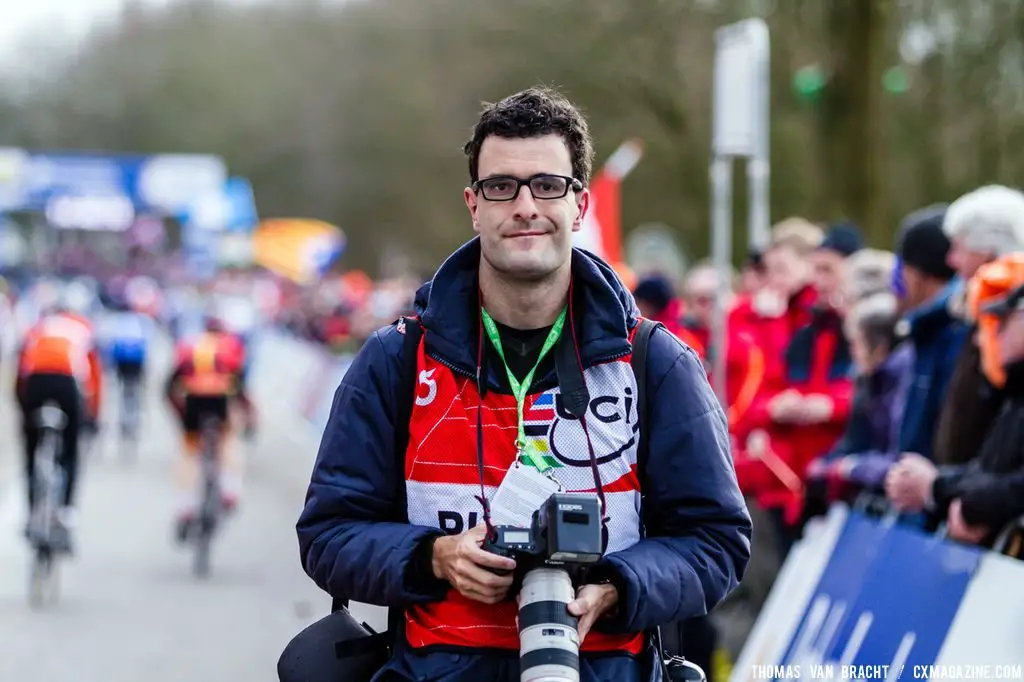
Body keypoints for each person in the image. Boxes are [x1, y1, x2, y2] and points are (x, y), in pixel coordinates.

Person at [296, 87, 751, 682]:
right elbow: (329, 534)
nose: (525, 206)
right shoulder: (397, 360)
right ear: (474, 204)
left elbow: (716, 540)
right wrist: (433, 557)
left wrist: (618, 585)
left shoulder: (655, 362)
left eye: (548, 185)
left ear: (580, 205)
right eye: (501, 186)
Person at [886, 259, 1024, 554]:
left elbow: (1014, 486)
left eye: (1002, 323)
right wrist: (941, 487)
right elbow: (989, 468)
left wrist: (945, 492)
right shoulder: (1015, 391)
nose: (985, 337)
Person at [13, 299, 104, 552]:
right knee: (71, 450)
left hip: (35, 384)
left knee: (31, 450)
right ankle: (65, 512)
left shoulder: (36, 327)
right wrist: (93, 417)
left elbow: (20, 372)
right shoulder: (83, 327)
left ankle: (32, 512)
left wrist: (22, 412)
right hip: (67, 384)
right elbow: (94, 378)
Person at [164, 312, 250, 540]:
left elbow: (170, 386)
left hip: (192, 399)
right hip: (220, 398)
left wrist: (179, 415)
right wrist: (247, 416)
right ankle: (230, 488)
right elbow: (240, 386)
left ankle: (186, 506)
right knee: (229, 436)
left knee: (189, 450)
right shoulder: (231, 345)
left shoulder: (188, 344)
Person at [104, 302, 154, 436]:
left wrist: (110, 367)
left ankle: (125, 417)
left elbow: (110, 344)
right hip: (137, 359)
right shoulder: (142, 321)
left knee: (123, 389)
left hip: (121, 359)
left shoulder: (116, 321)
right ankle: (136, 415)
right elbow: (148, 345)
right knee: (136, 387)